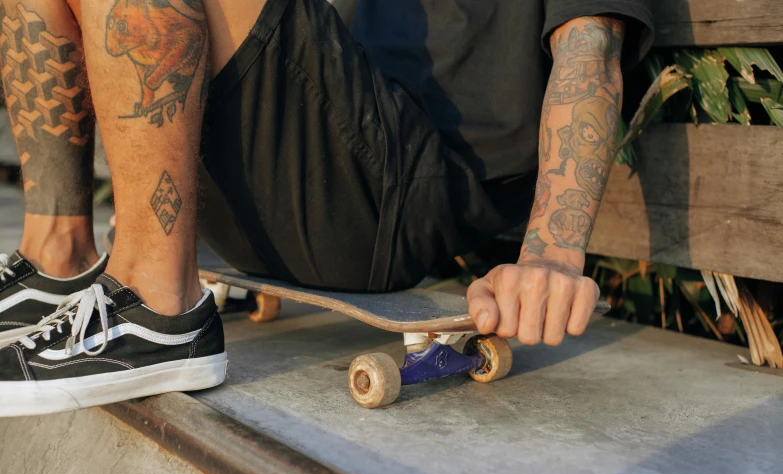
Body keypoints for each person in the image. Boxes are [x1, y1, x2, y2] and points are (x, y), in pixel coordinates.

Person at [0, 0, 652, 415]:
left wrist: (551, 255)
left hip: (388, 201)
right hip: (277, 180)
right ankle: (56, 260)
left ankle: (156, 308)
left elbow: (590, 53)